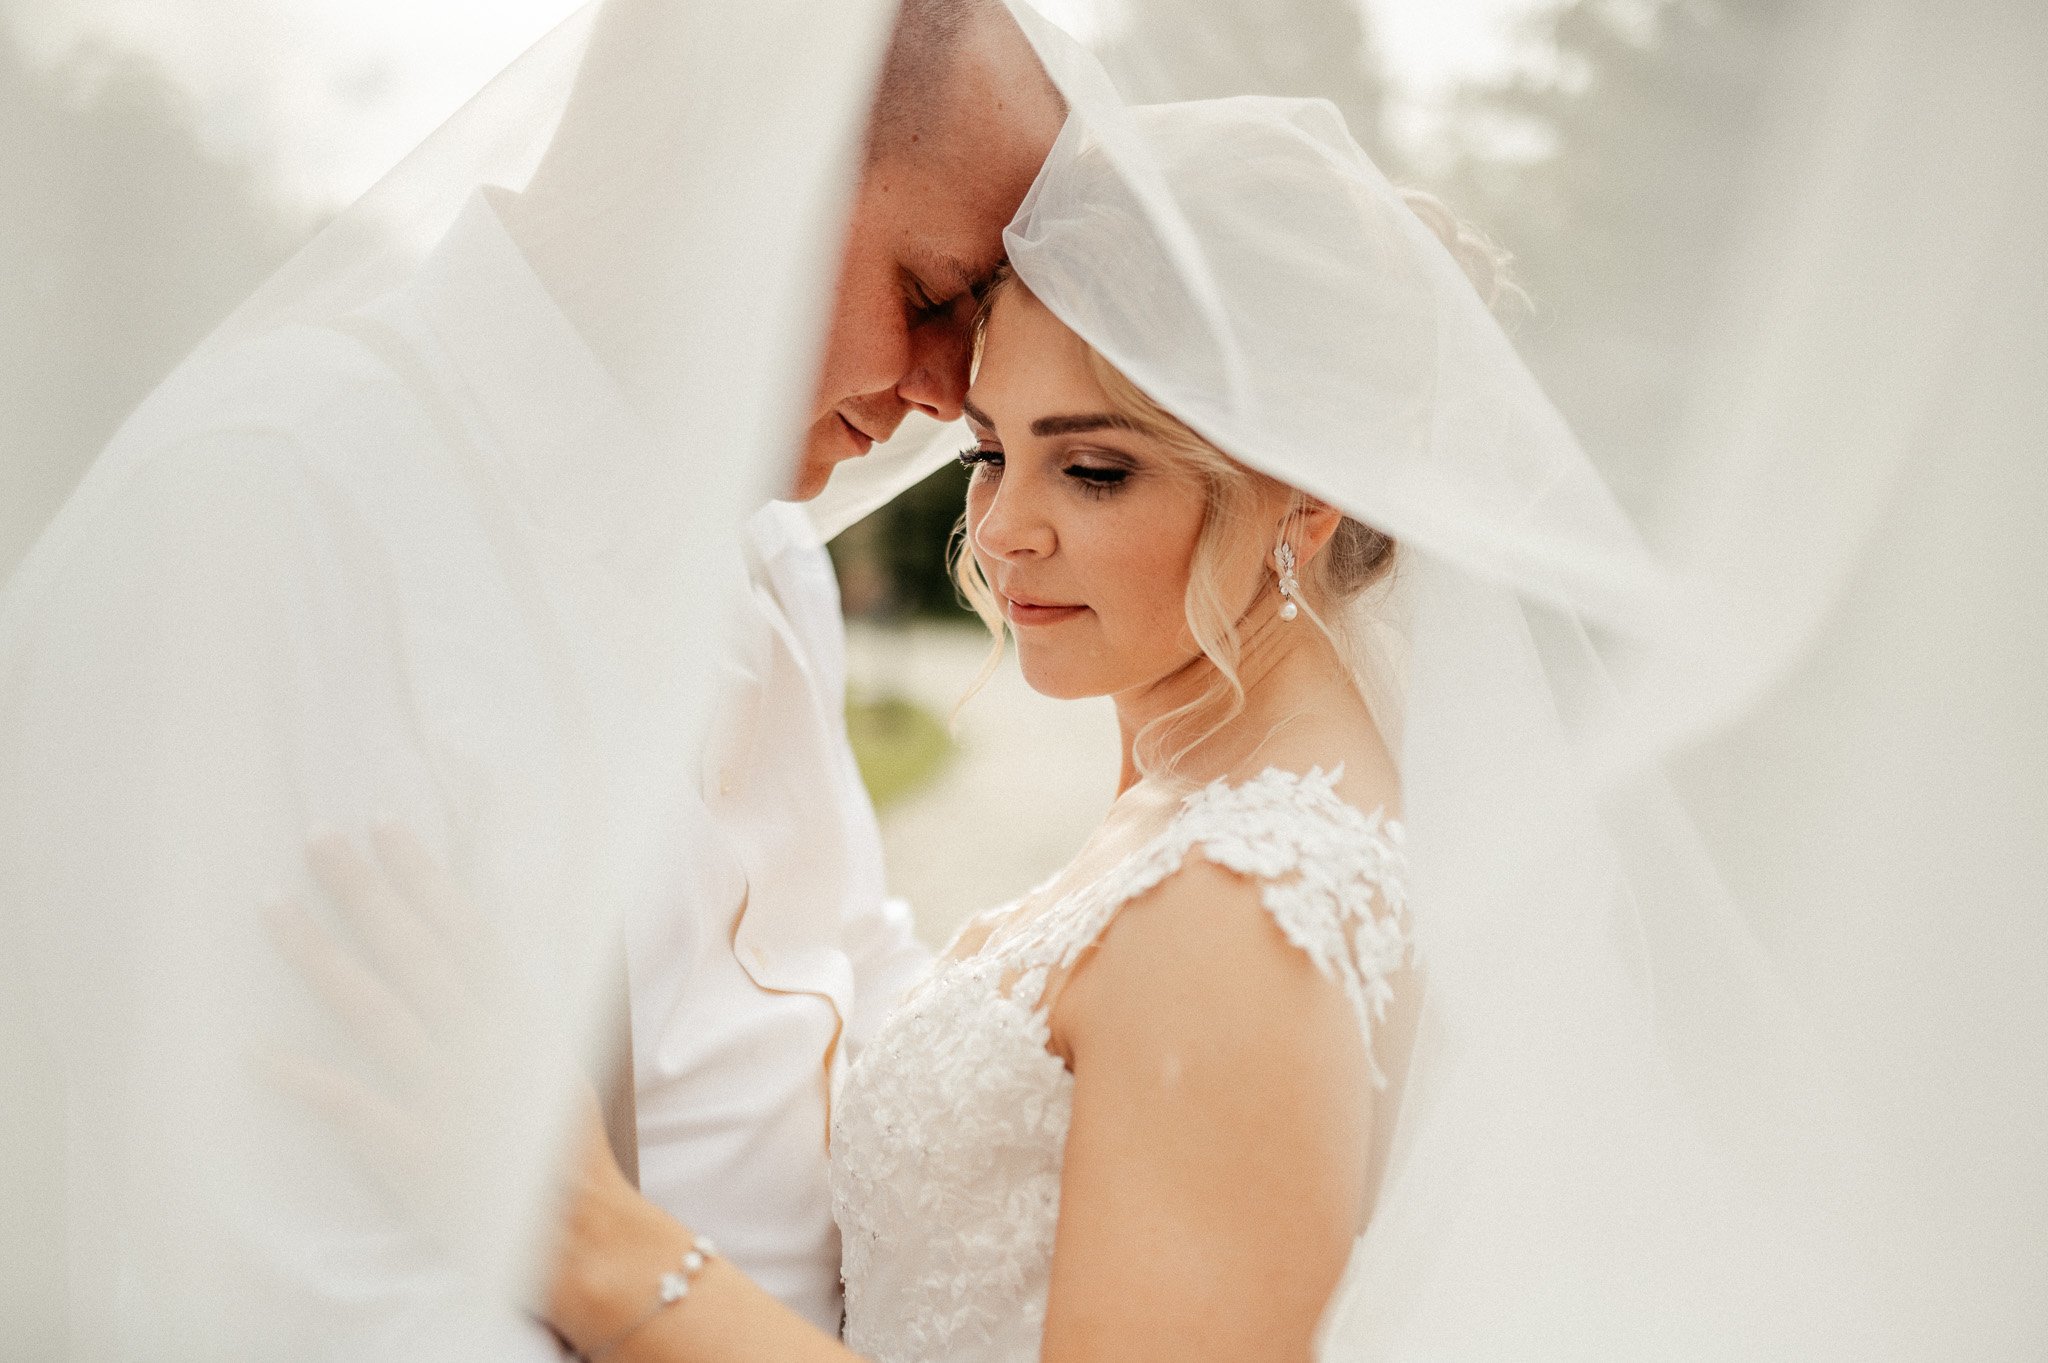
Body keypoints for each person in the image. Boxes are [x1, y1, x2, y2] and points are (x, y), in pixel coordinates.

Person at [302, 91, 1844, 1360]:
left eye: (1093, 469)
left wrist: (596, 1241)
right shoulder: (1201, 798)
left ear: (1309, 488)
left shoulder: (1251, 909)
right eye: (991, 453)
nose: (1004, 531)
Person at [0, 0, 1062, 1353]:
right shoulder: (264, 528)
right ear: (741, 145)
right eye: (930, 296)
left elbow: (859, 1009)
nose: (945, 391)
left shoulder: (773, 562)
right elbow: (295, 1306)